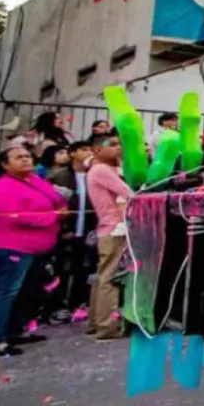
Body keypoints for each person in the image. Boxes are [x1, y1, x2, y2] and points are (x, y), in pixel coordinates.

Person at [0, 146, 67, 356]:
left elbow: (56, 199)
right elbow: (16, 215)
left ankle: (17, 329)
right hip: (14, 246)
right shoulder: (4, 186)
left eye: (27, 156)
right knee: (6, 292)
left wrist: (60, 209)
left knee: (24, 291)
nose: (26, 160)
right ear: (5, 164)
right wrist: (53, 216)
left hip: (37, 247)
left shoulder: (35, 180)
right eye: (19, 158)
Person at [85, 133, 131, 341]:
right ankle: (107, 325)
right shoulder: (101, 169)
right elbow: (126, 192)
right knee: (110, 278)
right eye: (111, 145)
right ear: (97, 150)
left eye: (119, 144)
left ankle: (97, 322)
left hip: (109, 227)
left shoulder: (102, 169)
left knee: (103, 276)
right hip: (114, 227)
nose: (117, 148)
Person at [47, 141, 97, 318]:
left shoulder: (94, 175)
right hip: (67, 231)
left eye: (90, 149)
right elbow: (55, 204)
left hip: (87, 230)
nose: (88, 153)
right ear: (72, 153)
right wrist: (65, 227)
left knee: (82, 269)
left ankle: (79, 303)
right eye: (84, 149)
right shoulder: (62, 177)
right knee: (62, 270)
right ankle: (58, 306)